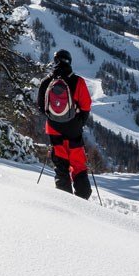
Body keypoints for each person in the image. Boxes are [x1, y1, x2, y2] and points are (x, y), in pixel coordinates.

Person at [36, 49, 93, 199]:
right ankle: (83, 198)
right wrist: (79, 122)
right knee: (79, 165)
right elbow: (86, 106)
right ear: (69, 61)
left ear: (55, 61)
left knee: (61, 167)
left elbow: (41, 107)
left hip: (54, 129)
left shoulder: (46, 82)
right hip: (74, 129)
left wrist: (53, 119)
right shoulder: (77, 81)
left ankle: (66, 202)